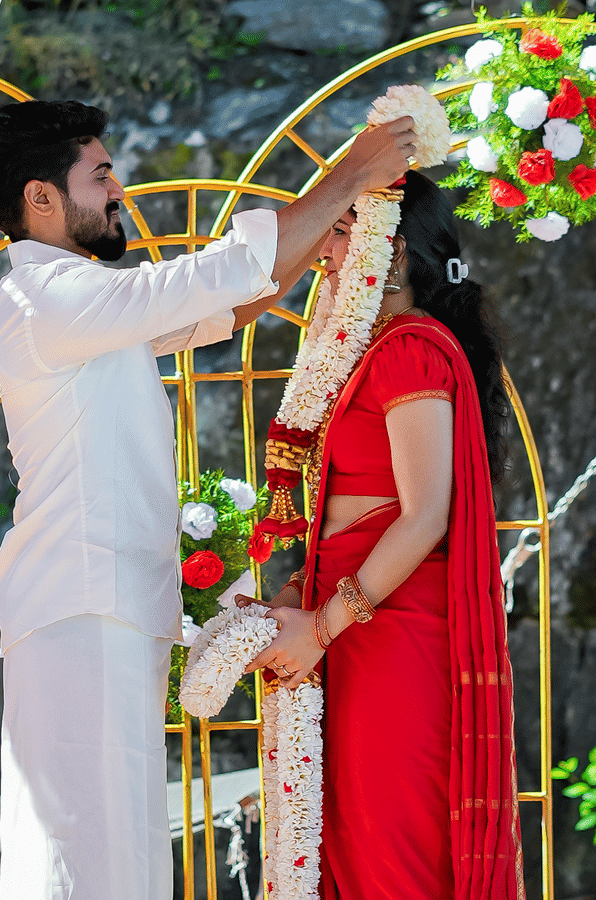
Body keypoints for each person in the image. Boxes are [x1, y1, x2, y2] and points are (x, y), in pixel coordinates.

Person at [0, 99, 417, 900]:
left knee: (117, 852)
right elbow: (215, 278)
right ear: (42, 198)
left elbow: (233, 303)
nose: (119, 190)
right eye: (99, 175)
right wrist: (354, 171)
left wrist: (335, 209)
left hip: (102, 609)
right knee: (84, 855)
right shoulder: (49, 301)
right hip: (79, 605)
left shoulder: (86, 303)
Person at [242, 171, 523, 900]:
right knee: (359, 844)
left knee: (391, 852)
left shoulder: (408, 350)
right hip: (360, 626)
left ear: (390, 256)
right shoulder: (378, 349)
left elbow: (426, 514)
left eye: (341, 232)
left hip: (386, 633)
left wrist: (323, 626)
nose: (325, 254)